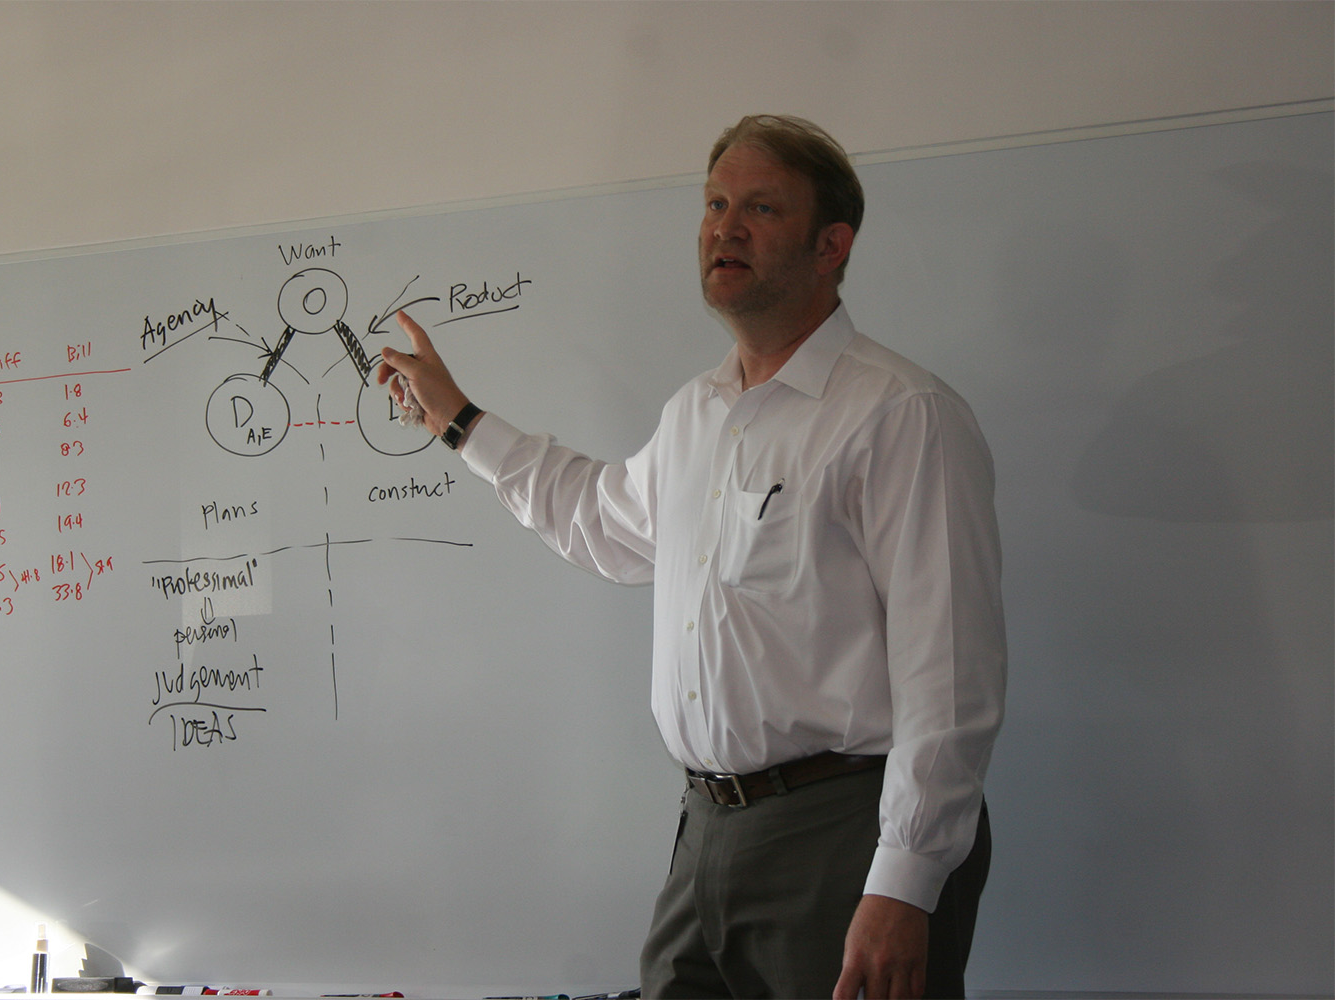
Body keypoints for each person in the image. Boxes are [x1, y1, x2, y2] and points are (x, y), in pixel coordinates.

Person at [376, 114, 1006, 1000]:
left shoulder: (900, 415)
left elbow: (952, 676)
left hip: (843, 837)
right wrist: (457, 419)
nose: (725, 227)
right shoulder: (695, 415)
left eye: (760, 207)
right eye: (714, 204)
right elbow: (599, 521)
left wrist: (904, 881)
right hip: (706, 833)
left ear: (833, 245)